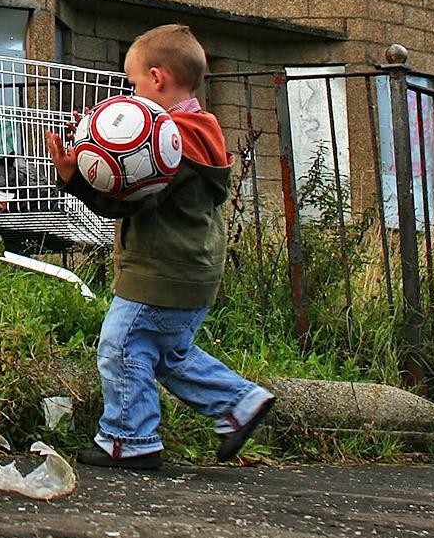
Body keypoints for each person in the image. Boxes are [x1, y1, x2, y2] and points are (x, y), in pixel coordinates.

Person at [46, 24, 276, 470]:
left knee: (122, 345)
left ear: (157, 78)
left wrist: (77, 177)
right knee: (166, 353)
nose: (130, 92)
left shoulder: (169, 138)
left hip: (160, 268)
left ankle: (128, 438)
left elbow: (133, 202)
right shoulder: (202, 128)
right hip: (193, 267)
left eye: (132, 83)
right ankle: (238, 403)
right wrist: (98, 147)